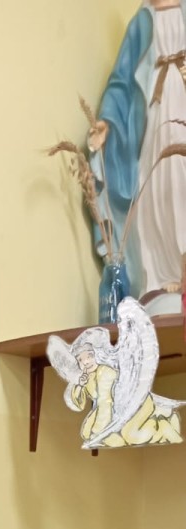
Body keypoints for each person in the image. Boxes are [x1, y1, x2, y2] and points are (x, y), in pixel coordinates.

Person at [90, 1, 186, 312]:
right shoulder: (142, 21)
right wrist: (107, 122)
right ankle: (163, 275)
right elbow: (121, 81)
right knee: (154, 187)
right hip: (156, 113)